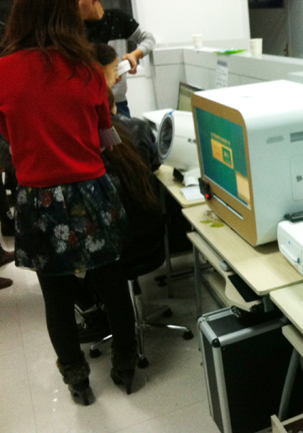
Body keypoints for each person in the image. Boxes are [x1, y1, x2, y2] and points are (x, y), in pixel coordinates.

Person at [0, 0, 137, 405]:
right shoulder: (87, 69)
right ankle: (125, 363)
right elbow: (106, 135)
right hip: (90, 192)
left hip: (38, 199)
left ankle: (77, 379)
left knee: (56, 297)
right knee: (112, 284)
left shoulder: (2, 72)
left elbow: (8, 134)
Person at [75, 43, 162, 343]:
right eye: (114, 71)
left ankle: (96, 315)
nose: (119, 76)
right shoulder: (138, 129)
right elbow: (155, 166)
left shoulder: (82, 146)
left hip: (107, 250)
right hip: (149, 239)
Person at [79, 0, 156, 117]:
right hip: (89, 104)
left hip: (118, 102)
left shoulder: (118, 18)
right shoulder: (74, 29)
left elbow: (148, 39)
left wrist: (135, 55)